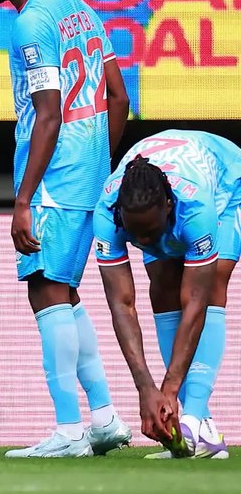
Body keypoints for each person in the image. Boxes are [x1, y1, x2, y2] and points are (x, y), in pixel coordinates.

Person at [0, 0, 133, 458]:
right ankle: (106, 417)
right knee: (65, 294)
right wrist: (100, 163)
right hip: (86, 174)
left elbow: (47, 115)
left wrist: (22, 199)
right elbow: (118, 98)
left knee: (45, 290)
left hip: (53, 181)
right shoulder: (83, 10)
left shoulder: (31, 25)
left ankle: (69, 431)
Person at [93, 131, 241, 459]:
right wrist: (146, 388)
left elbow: (196, 302)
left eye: (151, 232)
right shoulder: (106, 214)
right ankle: (201, 433)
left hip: (229, 186)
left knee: (213, 284)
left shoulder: (196, 209)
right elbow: (122, 304)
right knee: (160, 287)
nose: (145, 241)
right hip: (165, 190)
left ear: (169, 207)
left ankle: (194, 420)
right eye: (136, 235)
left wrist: (169, 388)